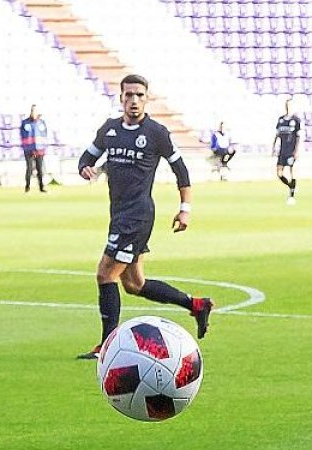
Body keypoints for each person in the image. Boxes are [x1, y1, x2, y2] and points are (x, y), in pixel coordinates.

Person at [75, 74, 212, 360]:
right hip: (119, 214)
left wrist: (185, 209)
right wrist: (86, 169)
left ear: (146, 98)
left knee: (105, 274)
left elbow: (181, 171)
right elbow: (86, 159)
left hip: (137, 216)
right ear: (121, 98)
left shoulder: (156, 132)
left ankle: (107, 345)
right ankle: (196, 304)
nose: (134, 100)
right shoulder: (110, 130)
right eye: (128, 95)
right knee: (134, 284)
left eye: (139, 95)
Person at [273, 97, 301, 205]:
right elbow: (277, 135)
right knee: (279, 174)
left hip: (291, 150)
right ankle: (291, 186)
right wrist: (273, 146)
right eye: (287, 105)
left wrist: (296, 151)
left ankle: (291, 196)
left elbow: (298, 137)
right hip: (282, 150)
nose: (288, 107)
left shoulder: (296, 120)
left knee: (292, 171)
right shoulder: (281, 120)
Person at [20, 104, 49, 193]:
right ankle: (27, 187)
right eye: (33, 110)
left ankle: (41, 187)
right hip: (29, 150)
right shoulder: (25, 123)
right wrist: (28, 147)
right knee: (29, 169)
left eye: (35, 111)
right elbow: (23, 135)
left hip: (39, 150)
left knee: (40, 169)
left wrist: (42, 148)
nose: (34, 112)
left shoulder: (41, 123)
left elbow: (44, 135)